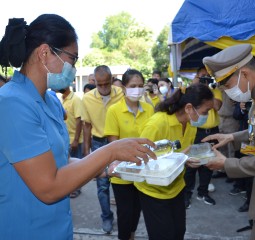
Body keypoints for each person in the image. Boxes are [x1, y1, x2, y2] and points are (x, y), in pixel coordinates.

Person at [0, 14, 156, 240]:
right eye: (72, 58)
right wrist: (110, 150)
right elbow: (49, 187)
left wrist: (107, 166)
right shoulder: (11, 103)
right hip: (25, 229)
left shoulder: (51, 101)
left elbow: (61, 161)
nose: (73, 68)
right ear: (44, 53)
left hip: (57, 228)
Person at [202, 43, 255, 240]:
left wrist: (225, 164)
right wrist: (232, 137)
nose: (228, 92)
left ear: (244, 74)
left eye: (227, 86)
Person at [136, 83, 214, 240]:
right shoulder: (157, 124)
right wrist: (179, 157)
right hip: (154, 191)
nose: (206, 116)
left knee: (178, 232)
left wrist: (187, 159)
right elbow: (140, 159)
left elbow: (183, 154)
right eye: (206, 111)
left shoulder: (190, 125)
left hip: (177, 187)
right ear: (189, 108)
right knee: (163, 235)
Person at [104, 69, 154, 240]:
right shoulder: (114, 111)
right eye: (133, 86)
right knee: (125, 213)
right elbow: (113, 145)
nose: (137, 90)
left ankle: (131, 236)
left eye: (140, 86)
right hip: (122, 172)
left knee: (137, 210)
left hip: (143, 170)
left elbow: (152, 139)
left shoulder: (149, 109)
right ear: (124, 87)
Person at [82, 65, 124, 234]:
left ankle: (125, 217)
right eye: (100, 84)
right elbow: (86, 125)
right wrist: (86, 150)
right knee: (102, 186)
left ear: (112, 79)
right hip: (99, 143)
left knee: (122, 181)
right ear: (94, 82)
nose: (104, 88)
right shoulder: (87, 99)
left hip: (119, 141)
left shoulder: (121, 94)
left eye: (107, 83)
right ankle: (106, 217)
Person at [184, 66, 222, 208]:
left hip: (211, 132)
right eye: (202, 76)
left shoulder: (215, 90)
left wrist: (208, 89)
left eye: (207, 76)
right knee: (191, 165)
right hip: (195, 131)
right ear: (197, 77)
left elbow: (217, 106)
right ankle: (187, 194)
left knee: (208, 164)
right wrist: (196, 85)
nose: (205, 78)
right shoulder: (192, 91)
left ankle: (203, 192)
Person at [59, 86, 84, 198]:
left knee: (77, 167)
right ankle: (71, 188)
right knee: (68, 166)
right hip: (65, 139)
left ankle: (76, 189)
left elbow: (79, 121)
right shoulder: (60, 99)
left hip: (75, 139)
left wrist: (75, 140)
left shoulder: (76, 99)